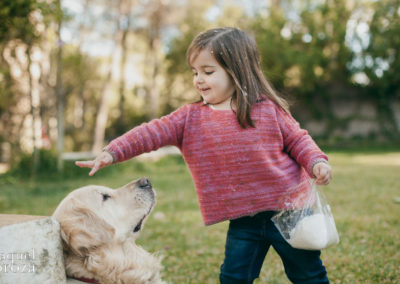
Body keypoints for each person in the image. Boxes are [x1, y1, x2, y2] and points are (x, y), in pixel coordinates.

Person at [76, 27, 332, 284]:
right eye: (195, 72)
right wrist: (113, 151)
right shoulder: (190, 118)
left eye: (208, 72)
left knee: (308, 273)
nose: (199, 79)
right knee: (233, 277)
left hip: (290, 210)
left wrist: (316, 161)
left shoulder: (268, 110)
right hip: (244, 220)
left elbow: (299, 139)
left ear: (236, 71)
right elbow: (150, 133)